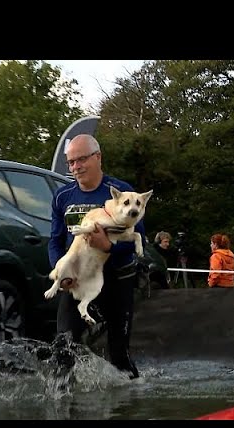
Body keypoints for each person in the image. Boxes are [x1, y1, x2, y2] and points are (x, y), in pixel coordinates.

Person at [48, 134, 144, 379]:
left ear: (98, 157)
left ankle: (130, 404)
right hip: (78, 279)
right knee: (63, 348)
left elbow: (137, 238)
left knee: (119, 353)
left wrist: (108, 247)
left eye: (81, 159)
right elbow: (55, 240)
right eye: (70, 162)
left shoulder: (123, 192)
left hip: (117, 279)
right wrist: (61, 272)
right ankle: (61, 405)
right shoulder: (62, 196)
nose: (76, 167)